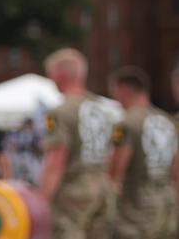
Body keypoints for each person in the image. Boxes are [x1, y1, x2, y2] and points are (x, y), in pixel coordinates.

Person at [38, 47, 116, 239]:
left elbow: (55, 162)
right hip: (102, 187)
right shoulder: (102, 109)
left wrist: (40, 202)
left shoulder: (60, 112)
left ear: (59, 75)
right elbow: (111, 152)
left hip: (73, 191)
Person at [107, 66, 178, 239]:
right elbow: (175, 171)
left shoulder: (127, 123)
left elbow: (115, 172)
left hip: (135, 210)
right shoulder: (168, 121)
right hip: (165, 205)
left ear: (123, 90)